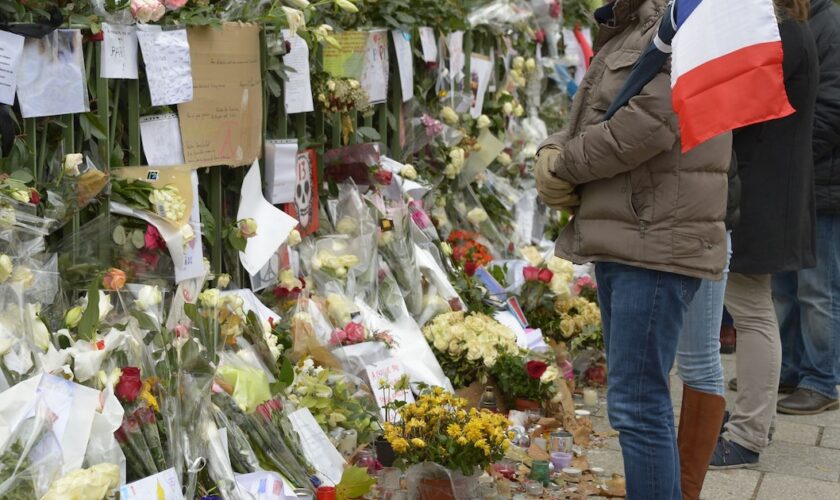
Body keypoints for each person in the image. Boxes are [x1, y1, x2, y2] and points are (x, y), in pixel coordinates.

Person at [535, 0, 731, 497]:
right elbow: (594, 111)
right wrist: (551, 149)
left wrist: (564, 165)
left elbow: (648, 124)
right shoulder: (634, 26)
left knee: (638, 405)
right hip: (630, 235)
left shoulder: (685, 23)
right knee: (636, 403)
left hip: (654, 238)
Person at [711, 0, 818, 469]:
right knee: (754, 309)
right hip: (765, 192)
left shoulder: (781, 36)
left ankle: (749, 433)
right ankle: (756, 418)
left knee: (752, 311)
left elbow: (740, 112)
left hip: (761, 195)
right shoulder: (788, 30)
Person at [772, 0, 840, 417]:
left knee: (818, 289)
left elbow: (832, 109)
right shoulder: (793, 20)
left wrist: (792, 155)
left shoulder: (828, 26)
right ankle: (789, 367)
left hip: (820, 182)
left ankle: (821, 378)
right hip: (793, 179)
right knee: (783, 284)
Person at [674, 149, 739, 499]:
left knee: (699, 359)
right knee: (696, 359)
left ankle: (686, 489)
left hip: (704, 220)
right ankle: (679, 484)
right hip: (698, 216)